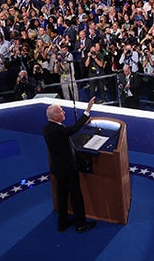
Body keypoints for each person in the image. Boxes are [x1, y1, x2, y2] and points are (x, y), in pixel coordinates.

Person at [44, 99, 97, 233]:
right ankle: (81, 224)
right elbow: (74, 129)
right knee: (76, 195)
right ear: (55, 116)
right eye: (61, 111)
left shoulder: (47, 128)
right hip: (68, 169)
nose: (64, 112)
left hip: (58, 168)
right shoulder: (59, 130)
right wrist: (87, 110)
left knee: (62, 195)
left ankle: (62, 222)